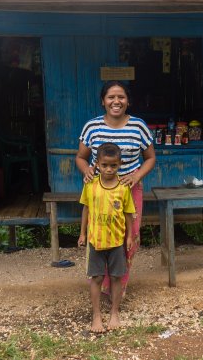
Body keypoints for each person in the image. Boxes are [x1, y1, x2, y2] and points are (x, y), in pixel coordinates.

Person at [76, 80, 156, 297]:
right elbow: (81, 158)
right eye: (111, 97)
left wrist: (136, 175)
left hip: (129, 189)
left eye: (121, 97)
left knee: (130, 236)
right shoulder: (91, 127)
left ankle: (118, 285)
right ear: (103, 101)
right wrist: (87, 171)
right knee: (101, 233)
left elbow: (150, 158)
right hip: (100, 191)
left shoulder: (138, 126)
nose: (116, 101)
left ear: (128, 101)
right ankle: (102, 282)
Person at [77, 142, 135, 332]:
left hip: (117, 241)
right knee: (97, 278)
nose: (109, 169)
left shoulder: (123, 187)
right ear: (97, 164)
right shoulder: (91, 185)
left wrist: (129, 237)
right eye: (104, 165)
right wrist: (82, 233)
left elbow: (128, 213)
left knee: (117, 277)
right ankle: (96, 316)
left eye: (113, 165)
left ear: (120, 164)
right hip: (95, 241)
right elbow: (86, 209)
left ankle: (114, 314)